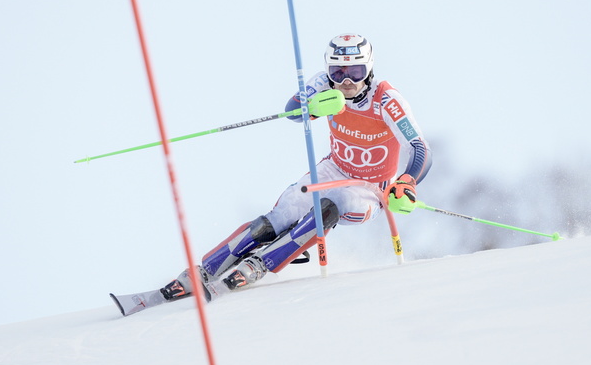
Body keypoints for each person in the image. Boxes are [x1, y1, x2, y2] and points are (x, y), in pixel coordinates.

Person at [160, 33, 432, 300]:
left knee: (332, 203)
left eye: (356, 71)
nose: (347, 81)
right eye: (338, 73)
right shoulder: (323, 84)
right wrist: (311, 107)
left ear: (369, 69)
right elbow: (291, 109)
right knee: (282, 214)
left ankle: (260, 264)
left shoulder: (386, 99)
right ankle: (206, 269)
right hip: (334, 169)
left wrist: (407, 181)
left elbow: (420, 148)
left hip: (371, 189)